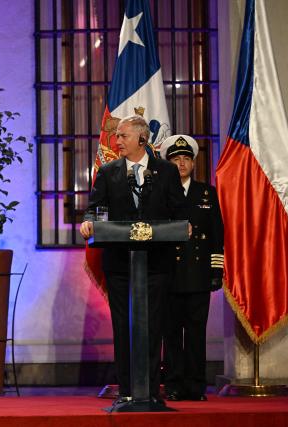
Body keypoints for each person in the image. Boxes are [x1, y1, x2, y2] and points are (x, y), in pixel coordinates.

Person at [80, 115, 187, 404]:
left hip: (156, 264)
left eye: (123, 136)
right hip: (119, 265)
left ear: (142, 138)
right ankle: (127, 391)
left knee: (153, 327)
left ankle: (151, 391)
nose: (117, 141)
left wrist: (184, 224)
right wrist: (89, 222)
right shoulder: (108, 171)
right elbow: (95, 208)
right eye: (116, 136)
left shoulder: (166, 171)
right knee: (123, 326)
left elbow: (178, 211)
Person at [160, 135, 224, 402]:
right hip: (170, 275)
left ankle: (196, 386)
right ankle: (173, 385)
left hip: (198, 275)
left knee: (197, 334)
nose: (182, 163)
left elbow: (216, 235)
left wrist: (215, 271)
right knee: (172, 334)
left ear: (194, 163)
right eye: (176, 159)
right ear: (169, 163)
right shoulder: (161, 193)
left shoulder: (206, 192)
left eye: (186, 158)